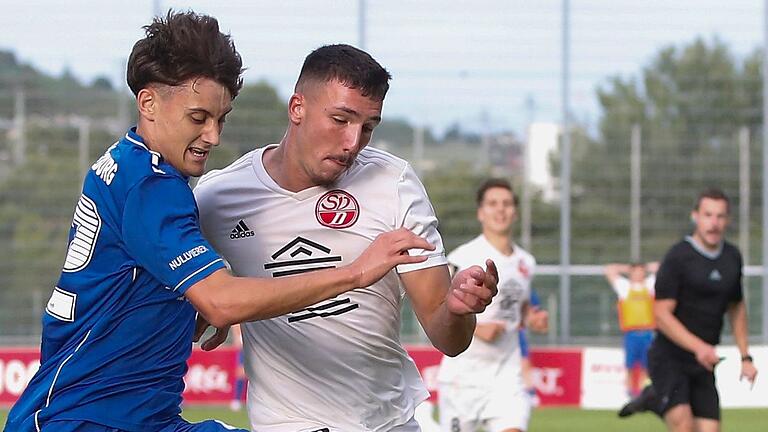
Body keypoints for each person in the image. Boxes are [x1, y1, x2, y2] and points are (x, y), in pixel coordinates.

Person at [4, 13, 435, 432]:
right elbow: (221, 301)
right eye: (198, 118)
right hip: (89, 420)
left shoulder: (129, 164)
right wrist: (356, 273)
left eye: (221, 118)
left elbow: (152, 288)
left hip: (135, 418)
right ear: (148, 103)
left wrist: (197, 304)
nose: (213, 135)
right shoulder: (152, 186)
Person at [193, 44, 499, 431]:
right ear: (297, 108)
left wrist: (459, 307)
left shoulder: (394, 183)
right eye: (340, 119)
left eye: (368, 127)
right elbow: (185, 303)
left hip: (389, 423)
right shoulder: (217, 197)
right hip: (287, 423)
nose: (353, 142)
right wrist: (200, 308)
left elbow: (450, 340)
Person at [618, 188, 758, 432]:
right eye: (707, 215)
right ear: (695, 216)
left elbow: (736, 307)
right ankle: (657, 395)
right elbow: (661, 315)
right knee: (684, 426)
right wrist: (699, 347)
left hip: (703, 363)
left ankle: (653, 397)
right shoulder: (678, 257)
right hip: (669, 357)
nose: (713, 223)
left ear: (728, 220)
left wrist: (745, 357)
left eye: (720, 216)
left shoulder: (732, 258)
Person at [436, 179, 548, 432]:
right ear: (480, 213)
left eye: (507, 204)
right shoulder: (462, 257)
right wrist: (477, 327)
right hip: (463, 379)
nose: (501, 210)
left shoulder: (526, 262)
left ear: (515, 212)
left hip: (507, 376)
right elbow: (440, 308)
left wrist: (532, 318)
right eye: (493, 204)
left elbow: (520, 307)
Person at [603, 260, 659, 397]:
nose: (638, 274)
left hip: (648, 332)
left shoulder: (650, 286)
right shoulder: (625, 287)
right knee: (630, 366)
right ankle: (628, 394)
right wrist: (627, 268)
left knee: (647, 366)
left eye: (641, 271)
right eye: (635, 271)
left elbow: (662, 268)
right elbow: (609, 269)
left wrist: (647, 267)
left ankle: (643, 393)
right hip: (631, 333)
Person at [229, 324, 246, 411]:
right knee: (241, 373)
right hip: (243, 346)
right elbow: (236, 328)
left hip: (253, 344)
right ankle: (236, 399)